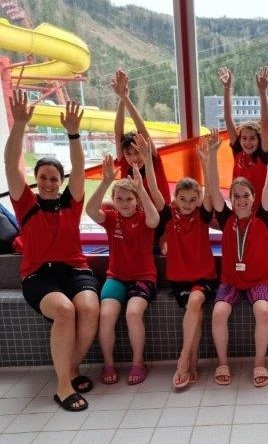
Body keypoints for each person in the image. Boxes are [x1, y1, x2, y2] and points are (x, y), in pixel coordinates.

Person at [5, 91, 100, 411]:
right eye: (43, 177)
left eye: (53, 178)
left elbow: (80, 168)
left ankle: (70, 369)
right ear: (36, 179)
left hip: (75, 270)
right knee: (64, 310)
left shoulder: (71, 203)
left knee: (89, 308)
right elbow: (10, 163)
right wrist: (19, 125)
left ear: (61, 181)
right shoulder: (25, 204)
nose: (48, 183)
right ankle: (63, 386)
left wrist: (73, 134)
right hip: (38, 276)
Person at [206, 125, 268, 387]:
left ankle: (259, 363)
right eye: (236, 196)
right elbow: (213, 186)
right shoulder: (225, 218)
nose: (241, 200)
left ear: (253, 197)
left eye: (246, 195)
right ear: (231, 198)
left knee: (263, 311)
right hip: (230, 282)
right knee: (218, 313)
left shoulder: (262, 218)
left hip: (257, 282)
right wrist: (212, 155)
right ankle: (222, 362)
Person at [86, 134, 160, 386]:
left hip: (143, 278)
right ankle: (109, 363)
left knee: (132, 313)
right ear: (114, 201)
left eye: (129, 199)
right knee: (106, 315)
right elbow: (90, 210)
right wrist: (106, 181)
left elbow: (155, 220)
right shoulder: (111, 218)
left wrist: (141, 190)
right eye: (119, 199)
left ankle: (138, 362)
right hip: (116, 277)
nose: (124, 203)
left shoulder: (144, 217)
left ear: (136, 201)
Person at [152, 137, 217, 389]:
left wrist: (206, 162)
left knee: (195, 301)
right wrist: (147, 159)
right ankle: (193, 360)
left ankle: (183, 358)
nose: (188, 204)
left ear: (198, 199)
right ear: (176, 199)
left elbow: (210, 192)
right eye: (183, 199)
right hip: (179, 279)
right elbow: (155, 190)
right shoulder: (169, 216)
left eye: (192, 199)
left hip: (204, 277)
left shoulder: (202, 215)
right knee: (195, 314)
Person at [111, 69, 171, 204]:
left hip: (158, 215)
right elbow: (118, 133)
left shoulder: (152, 160)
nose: (133, 158)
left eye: (137, 152)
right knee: (106, 205)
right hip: (134, 214)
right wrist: (122, 98)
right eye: (128, 154)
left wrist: (126, 98)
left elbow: (141, 128)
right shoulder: (126, 164)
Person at [218, 66, 268, 209]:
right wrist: (227, 88)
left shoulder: (262, 155)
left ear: (259, 140)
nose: (247, 142)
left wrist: (262, 92)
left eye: (252, 138)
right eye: (244, 138)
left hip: (258, 211)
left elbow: (265, 124)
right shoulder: (238, 151)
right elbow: (228, 118)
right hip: (238, 209)